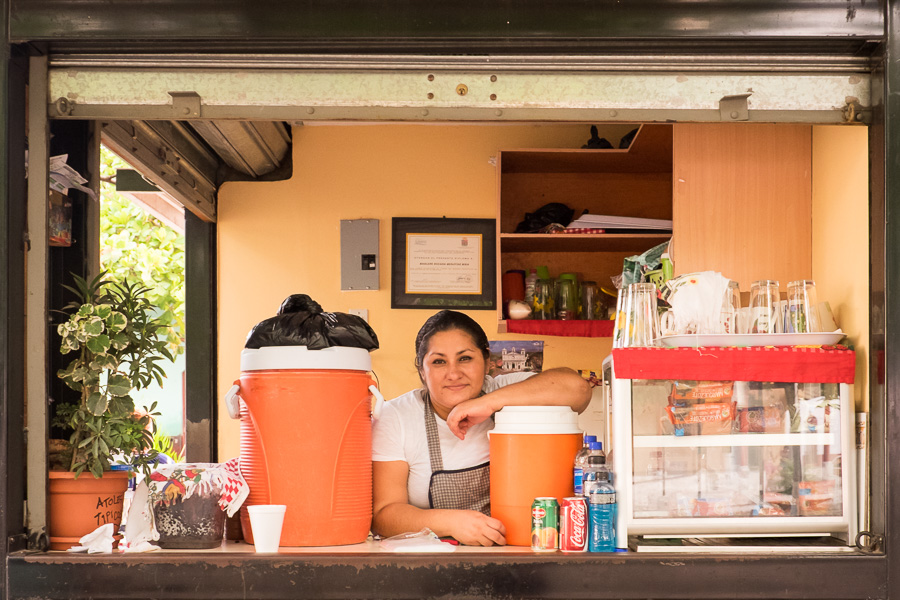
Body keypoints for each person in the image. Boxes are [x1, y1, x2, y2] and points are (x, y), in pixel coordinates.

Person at [371, 310, 592, 546]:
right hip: (436, 558)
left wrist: (488, 403)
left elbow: (578, 388)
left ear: (487, 362)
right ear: (422, 371)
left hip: (521, 549)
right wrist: (452, 523)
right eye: (438, 361)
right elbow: (384, 516)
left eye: (465, 358)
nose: (454, 373)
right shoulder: (397, 416)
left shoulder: (507, 390)